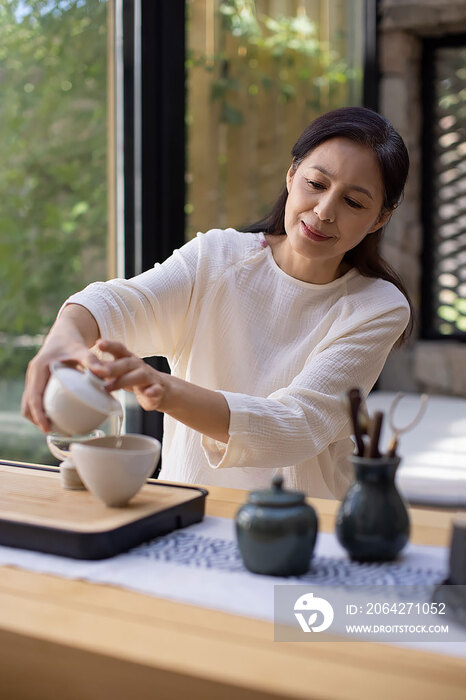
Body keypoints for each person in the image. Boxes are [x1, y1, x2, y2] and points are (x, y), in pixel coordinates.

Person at [21, 106, 412, 499]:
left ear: (380, 218)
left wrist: (166, 390)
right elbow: (122, 302)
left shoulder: (376, 306)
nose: (324, 211)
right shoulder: (217, 257)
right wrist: (63, 339)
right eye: (316, 183)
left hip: (306, 527)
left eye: (354, 203)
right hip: (186, 510)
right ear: (292, 174)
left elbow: (297, 425)